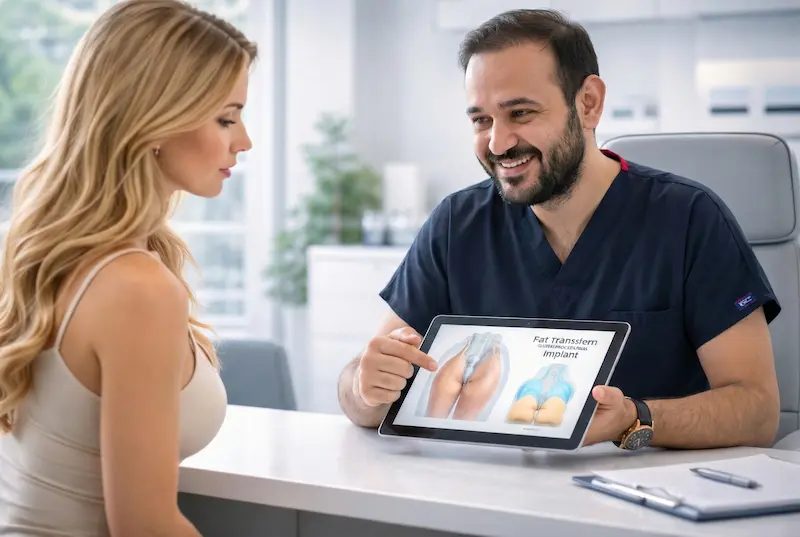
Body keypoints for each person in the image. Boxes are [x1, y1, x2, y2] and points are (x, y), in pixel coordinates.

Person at [338, 8, 782, 451]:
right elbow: (360, 390)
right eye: (481, 120)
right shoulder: (457, 225)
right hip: (486, 496)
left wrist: (637, 418)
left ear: (588, 103)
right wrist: (365, 387)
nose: (498, 143)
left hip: (645, 504)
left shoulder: (690, 219)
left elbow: (757, 410)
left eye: (521, 112)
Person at [0, 1, 255, 535]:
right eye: (225, 118)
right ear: (153, 119)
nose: (244, 140)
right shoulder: (136, 287)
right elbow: (146, 526)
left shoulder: (42, 252)